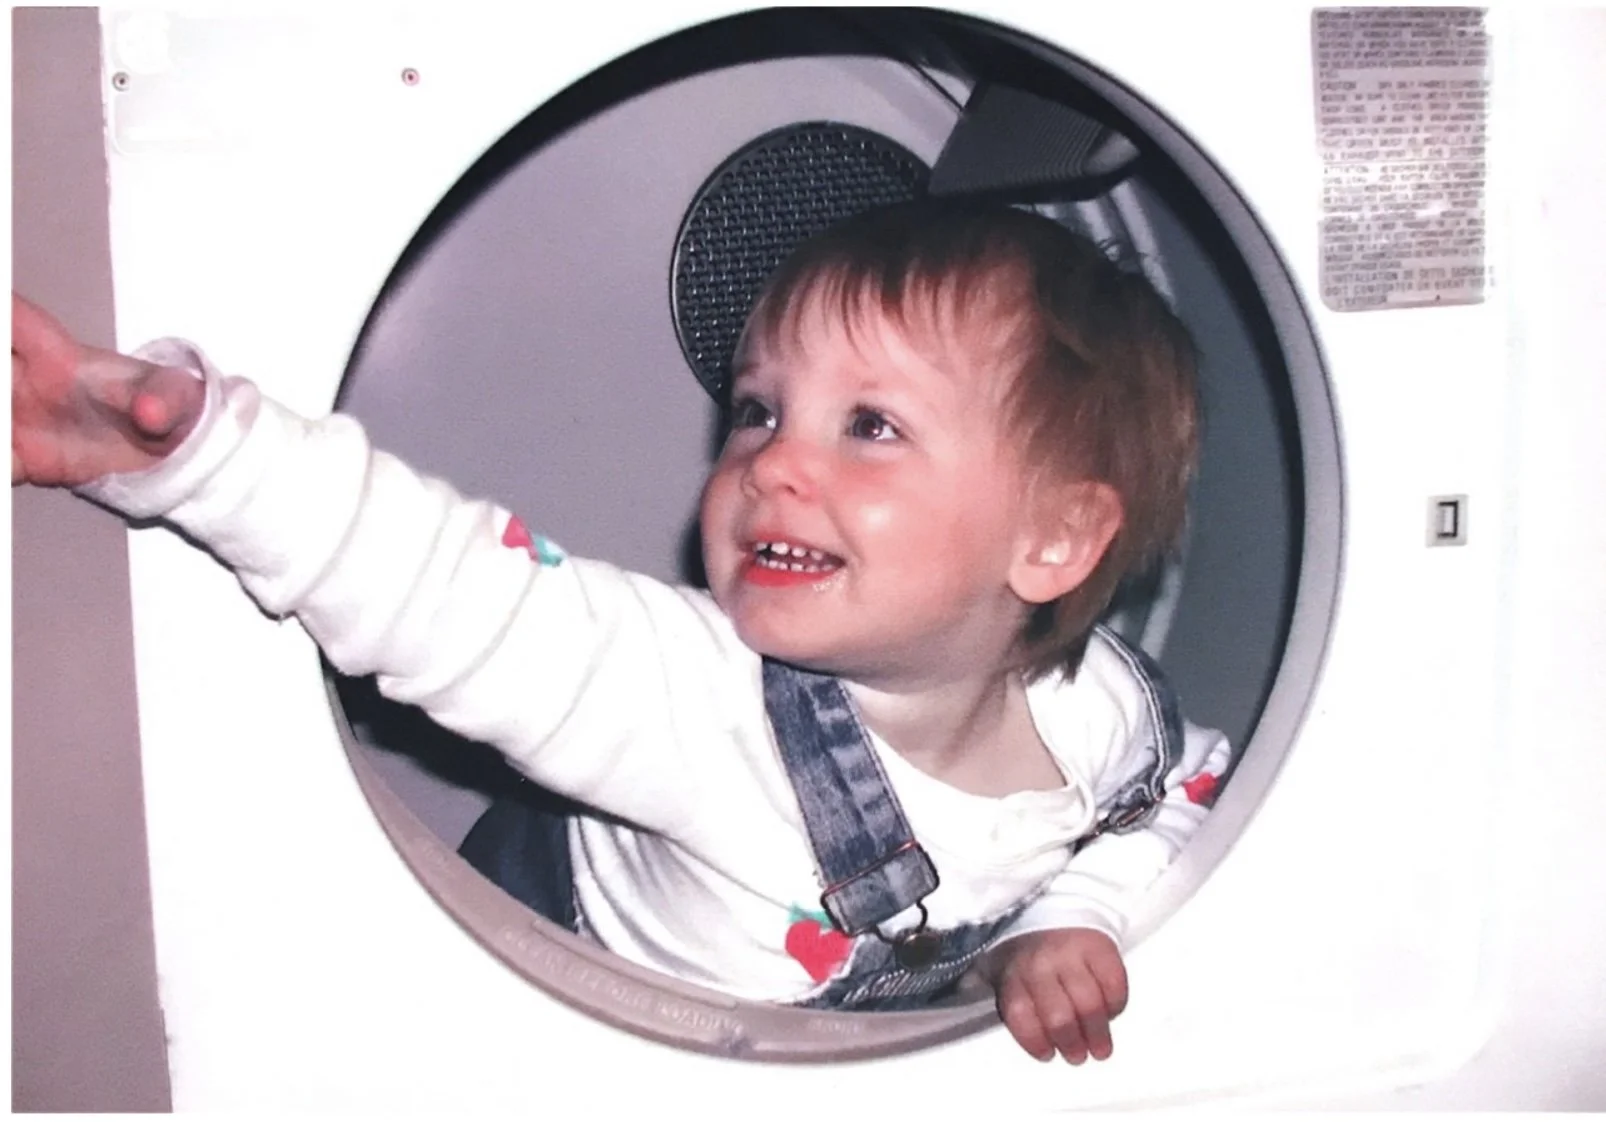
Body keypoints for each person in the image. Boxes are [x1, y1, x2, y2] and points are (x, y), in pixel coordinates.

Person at [11, 199, 1229, 1065]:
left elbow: (1188, 787)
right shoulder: (699, 700)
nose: (771, 464)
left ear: (1056, 543)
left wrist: (1079, 914)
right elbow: (443, 587)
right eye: (757, 410)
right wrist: (198, 457)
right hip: (543, 993)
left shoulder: (1103, 711)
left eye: (869, 426)